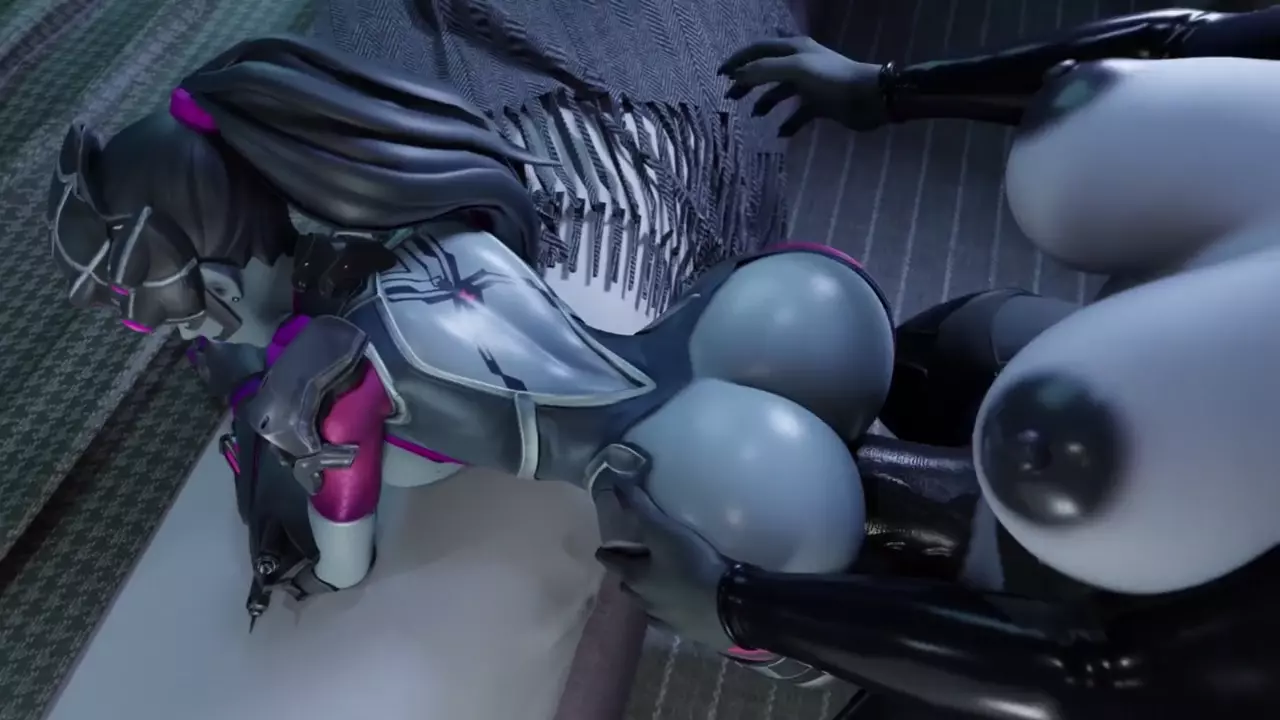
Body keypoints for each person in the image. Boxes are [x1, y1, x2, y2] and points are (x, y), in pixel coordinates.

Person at [595, 56, 1280, 718]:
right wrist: (889, 88)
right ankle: (943, 528)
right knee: (953, 348)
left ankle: (917, 576)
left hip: (1167, 668)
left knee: (780, 517)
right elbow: (1180, 44)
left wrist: (736, 603)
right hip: (1144, 428)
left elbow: (1103, 678)